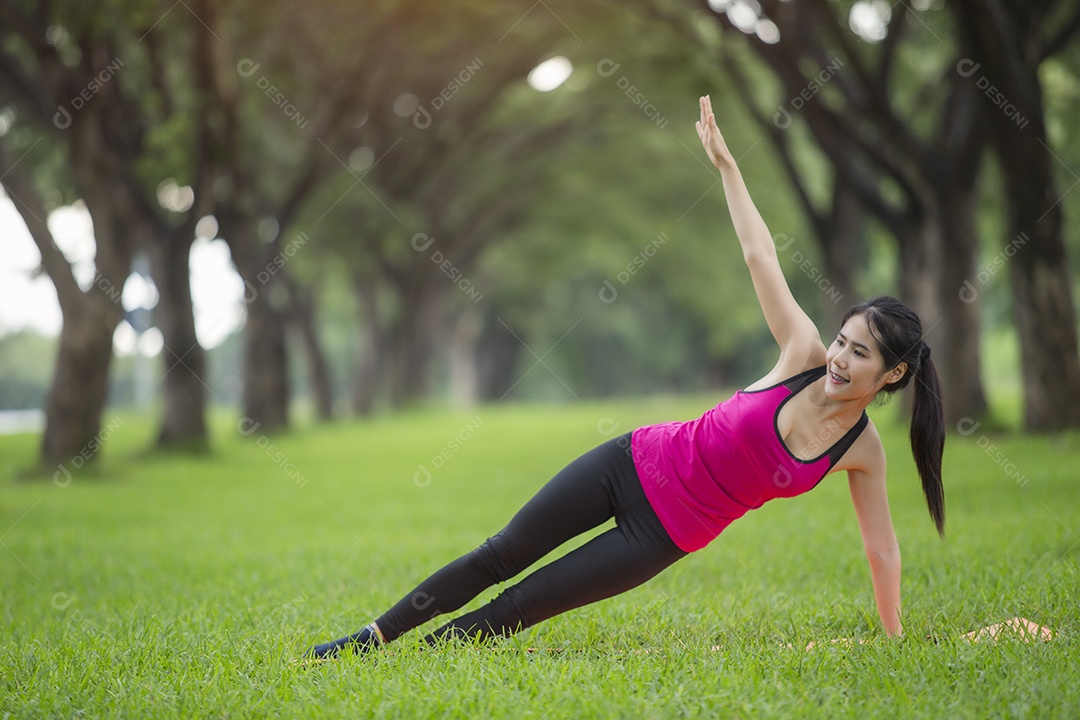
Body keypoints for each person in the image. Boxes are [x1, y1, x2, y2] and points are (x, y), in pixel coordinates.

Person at [307, 95, 945, 659]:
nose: (838, 357)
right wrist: (728, 167)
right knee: (500, 555)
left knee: (518, 609)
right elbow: (759, 254)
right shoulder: (801, 353)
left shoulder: (861, 451)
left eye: (859, 354)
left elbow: (882, 548)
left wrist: (892, 638)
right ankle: (371, 640)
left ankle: (418, 662)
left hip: (660, 536)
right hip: (630, 462)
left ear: (891, 374)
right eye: (843, 339)